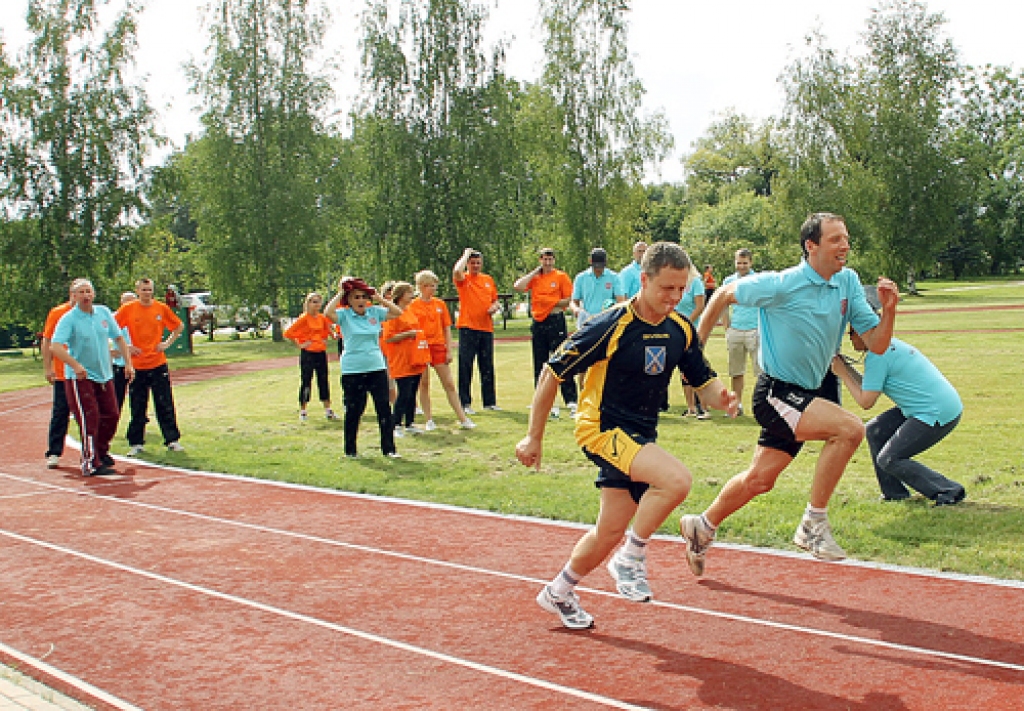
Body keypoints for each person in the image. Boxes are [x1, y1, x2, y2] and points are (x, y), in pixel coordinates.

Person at [516, 242, 738, 629]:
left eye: (681, 289)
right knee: (676, 481)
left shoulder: (680, 329)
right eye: (667, 288)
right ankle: (631, 557)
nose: (675, 297)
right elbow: (552, 372)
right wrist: (533, 437)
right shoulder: (609, 324)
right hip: (601, 429)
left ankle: (559, 592)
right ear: (644, 279)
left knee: (608, 530)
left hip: (638, 436)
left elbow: (703, 382)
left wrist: (723, 398)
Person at [681, 212, 899, 572]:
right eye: (835, 239)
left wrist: (888, 311)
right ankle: (814, 523)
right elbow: (722, 294)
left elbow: (875, 343)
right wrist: (695, 359)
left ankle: (701, 526)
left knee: (760, 479)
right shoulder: (782, 284)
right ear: (811, 246)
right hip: (777, 393)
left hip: (813, 392)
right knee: (850, 430)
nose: (844, 245)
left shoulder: (847, 282)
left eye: (845, 238)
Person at [831, 330, 965, 505]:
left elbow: (866, 401)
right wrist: (846, 368)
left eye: (852, 333)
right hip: (931, 405)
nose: (849, 337)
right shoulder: (885, 345)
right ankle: (894, 494)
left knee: (889, 459)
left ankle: (949, 490)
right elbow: (869, 385)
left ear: (865, 332)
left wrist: (842, 374)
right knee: (875, 431)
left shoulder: (878, 356)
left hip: (935, 412)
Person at [50, 279, 133, 476]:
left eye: (88, 291)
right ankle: (90, 462)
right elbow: (55, 346)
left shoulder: (103, 313)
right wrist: (75, 365)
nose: (86, 295)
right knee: (90, 417)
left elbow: (118, 337)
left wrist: (128, 363)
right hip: (81, 378)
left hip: (105, 375)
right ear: (74, 296)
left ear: (93, 294)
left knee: (112, 414)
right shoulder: (69, 319)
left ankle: (100, 451)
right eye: (81, 292)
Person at [325, 276, 403, 458]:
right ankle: (350, 450)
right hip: (353, 369)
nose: (360, 301)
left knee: (383, 408)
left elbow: (397, 312)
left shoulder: (374, 312)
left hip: (375, 367)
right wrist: (341, 293)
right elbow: (328, 313)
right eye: (356, 297)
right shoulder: (344, 315)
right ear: (349, 300)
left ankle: (389, 449)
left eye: (362, 297)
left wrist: (379, 298)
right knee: (354, 410)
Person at [116, 277, 186, 456]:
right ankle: (136, 442)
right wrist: (126, 347)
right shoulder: (128, 309)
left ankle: (172, 439)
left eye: (150, 290)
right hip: (137, 365)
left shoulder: (160, 308)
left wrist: (166, 343)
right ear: (137, 291)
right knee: (138, 405)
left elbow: (178, 326)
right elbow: (112, 330)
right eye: (144, 290)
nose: (147, 293)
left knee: (164, 403)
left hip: (157, 363)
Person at [513, 247, 577, 419]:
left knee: (563, 359)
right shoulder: (535, 278)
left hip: (556, 320)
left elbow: (569, 298)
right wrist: (535, 272)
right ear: (540, 260)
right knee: (540, 362)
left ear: (554, 260)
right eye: (544, 259)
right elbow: (518, 286)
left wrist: (549, 303)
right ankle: (541, 398)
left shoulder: (560, 277)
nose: (547, 263)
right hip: (539, 322)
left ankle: (570, 399)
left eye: (550, 259)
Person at [407, 270, 475, 431]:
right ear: (421, 287)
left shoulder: (440, 304)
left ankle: (463, 418)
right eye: (430, 286)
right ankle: (429, 419)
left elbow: (446, 328)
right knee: (423, 384)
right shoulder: (413, 306)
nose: (433, 289)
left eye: (434, 286)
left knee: (449, 384)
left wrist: (449, 349)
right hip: (421, 346)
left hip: (438, 346)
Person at [452, 248, 501, 414]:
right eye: (472, 263)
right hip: (468, 327)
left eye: (478, 263)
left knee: (487, 365)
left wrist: (494, 307)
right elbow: (456, 271)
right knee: (466, 365)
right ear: (468, 264)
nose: (475, 266)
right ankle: (464, 403)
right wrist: (465, 254)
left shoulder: (487, 279)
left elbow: (495, 300)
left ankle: (490, 401)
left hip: (485, 327)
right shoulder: (464, 279)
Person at [383, 282, 429, 437]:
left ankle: (409, 423)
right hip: (400, 358)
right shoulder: (392, 313)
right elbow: (388, 338)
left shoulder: (409, 311)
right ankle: (396, 424)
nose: (412, 295)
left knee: (412, 391)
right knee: (404, 392)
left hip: (413, 356)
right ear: (401, 295)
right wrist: (408, 334)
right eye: (409, 292)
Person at [283, 292, 338, 422]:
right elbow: (288, 333)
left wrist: (329, 337)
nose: (317, 304)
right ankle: (303, 410)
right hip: (308, 353)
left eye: (318, 302)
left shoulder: (322, 318)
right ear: (308, 303)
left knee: (323, 380)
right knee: (306, 381)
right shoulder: (304, 318)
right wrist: (300, 344)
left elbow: (330, 331)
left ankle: (328, 409)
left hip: (320, 353)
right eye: (314, 302)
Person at [720, 248, 761, 416]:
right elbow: (722, 303)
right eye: (739, 262)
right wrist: (726, 324)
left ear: (750, 263)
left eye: (745, 263)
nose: (741, 266)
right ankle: (736, 405)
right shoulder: (729, 280)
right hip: (735, 329)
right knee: (736, 371)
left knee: (761, 372)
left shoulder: (758, 280)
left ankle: (761, 406)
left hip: (754, 330)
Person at [40, 286, 77, 469]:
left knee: (89, 413)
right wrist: (48, 367)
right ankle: (54, 452)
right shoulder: (58, 313)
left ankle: (94, 451)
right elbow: (47, 340)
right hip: (63, 374)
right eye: (80, 292)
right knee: (60, 412)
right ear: (72, 294)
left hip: (86, 374)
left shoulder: (92, 313)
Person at [674, 264, 708, 419]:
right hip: (675, 332)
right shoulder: (674, 282)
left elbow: (700, 306)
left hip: (692, 331)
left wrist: (686, 323)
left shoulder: (696, 282)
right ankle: (691, 408)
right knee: (683, 372)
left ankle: (704, 407)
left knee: (695, 368)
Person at [571, 247, 625, 328]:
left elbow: (621, 301)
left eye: (601, 266)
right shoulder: (581, 278)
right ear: (590, 261)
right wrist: (576, 310)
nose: (598, 269)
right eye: (596, 266)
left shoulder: (614, 277)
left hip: (608, 322)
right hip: (587, 322)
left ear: (606, 262)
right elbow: (574, 301)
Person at [110, 291, 138, 414]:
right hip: (119, 364)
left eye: (133, 301)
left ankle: (138, 426)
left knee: (138, 397)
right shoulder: (113, 318)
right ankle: (111, 425)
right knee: (116, 397)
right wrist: (110, 350)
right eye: (127, 301)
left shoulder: (140, 317)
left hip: (138, 363)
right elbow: (102, 338)